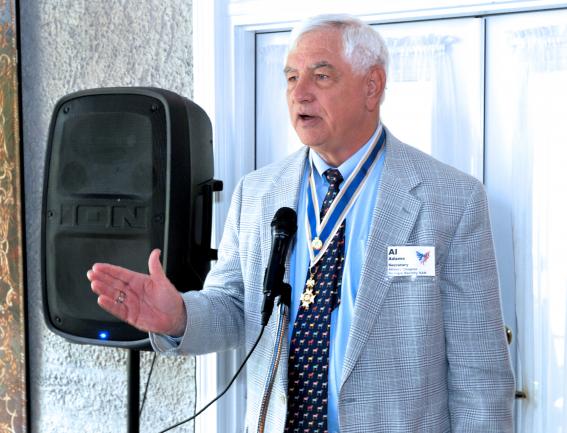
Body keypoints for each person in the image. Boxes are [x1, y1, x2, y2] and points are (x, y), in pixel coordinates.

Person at [87, 14, 515, 433]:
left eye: (321, 76)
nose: (300, 93)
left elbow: (480, 371)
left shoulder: (451, 199)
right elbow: (235, 306)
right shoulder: (257, 192)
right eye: (291, 77)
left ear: (372, 85)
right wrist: (179, 315)